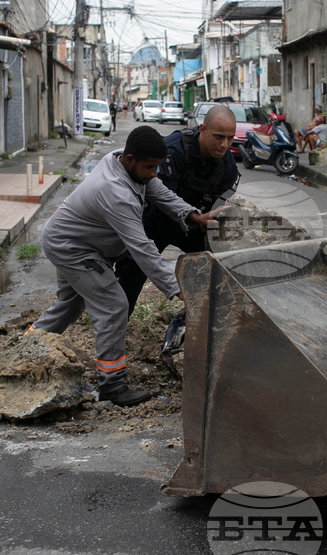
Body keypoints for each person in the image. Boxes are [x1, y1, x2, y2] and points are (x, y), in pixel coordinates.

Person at [29, 126, 221, 407]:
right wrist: (177, 290)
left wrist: (193, 215)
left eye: (157, 166)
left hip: (71, 239)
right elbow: (142, 249)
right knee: (113, 306)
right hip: (74, 249)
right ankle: (111, 385)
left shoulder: (122, 163)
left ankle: (26, 346)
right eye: (149, 167)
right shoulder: (116, 192)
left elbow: (159, 191)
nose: (154, 173)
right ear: (130, 159)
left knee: (69, 305)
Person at [116, 105, 240, 316]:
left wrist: (210, 223)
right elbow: (162, 201)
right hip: (157, 222)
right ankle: (115, 331)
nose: (224, 145)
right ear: (202, 129)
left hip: (194, 225)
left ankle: (201, 324)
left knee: (218, 268)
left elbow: (223, 204)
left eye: (230, 138)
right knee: (133, 269)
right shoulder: (172, 151)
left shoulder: (228, 166)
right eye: (219, 137)